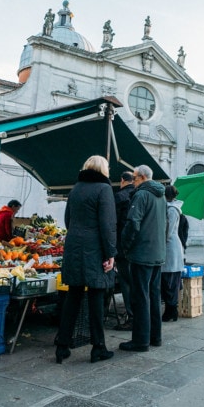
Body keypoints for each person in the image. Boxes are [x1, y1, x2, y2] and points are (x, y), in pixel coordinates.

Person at [55, 156, 117, 364]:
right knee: (96, 298)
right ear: (103, 169)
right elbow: (107, 224)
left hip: (74, 245)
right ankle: (98, 347)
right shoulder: (104, 189)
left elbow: (67, 220)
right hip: (94, 248)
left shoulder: (76, 189)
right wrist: (111, 253)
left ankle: (62, 346)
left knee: (73, 296)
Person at [119, 165, 167, 352]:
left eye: (134, 177)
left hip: (142, 253)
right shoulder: (161, 195)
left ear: (141, 177)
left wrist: (125, 246)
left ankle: (140, 341)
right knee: (154, 296)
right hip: (157, 253)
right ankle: (155, 337)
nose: (133, 181)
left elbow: (133, 222)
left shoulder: (141, 195)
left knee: (140, 297)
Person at [113, 172, 136, 331]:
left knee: (126, 283)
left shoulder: (119, 197)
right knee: (136, 282)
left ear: (122, 180)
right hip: (138, 247)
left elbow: (112, 223)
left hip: (122, 247)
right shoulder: (139, 196)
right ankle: (138, 316)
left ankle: (132, 317)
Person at [161, 186, 185, 322]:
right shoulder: (171, 208)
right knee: (169, 280)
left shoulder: (172, 209)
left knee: (170, 280)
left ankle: (171, 311)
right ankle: (171, 311)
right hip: (171, 246)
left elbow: (168, 231)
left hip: (171, 247)